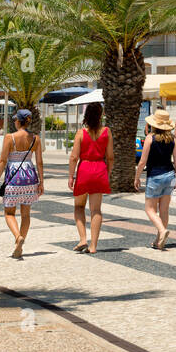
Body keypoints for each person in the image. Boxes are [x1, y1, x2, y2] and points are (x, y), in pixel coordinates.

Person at [0, 109, 43, 258]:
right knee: (26, 214)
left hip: (14, 178)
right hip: (29, 176)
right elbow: (39, 162)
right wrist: (41, 182)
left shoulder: (10, 137)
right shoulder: (36, 138)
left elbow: (3, 161)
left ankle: (17, 237)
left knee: (9, 213)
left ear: (18, 121)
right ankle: (19, 246)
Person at [68, 102, 112, 254]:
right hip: (100, 169)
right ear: (100, 115)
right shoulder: (107, 131)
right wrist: (108, 173)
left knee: (79, 206)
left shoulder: (81, 133)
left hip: (84, 170)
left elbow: (74, 157)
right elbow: (110, 157)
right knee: (96, 210)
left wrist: (71, 176)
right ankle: (93, 245)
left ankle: (82, 239)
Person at [134, 107, 176, 250]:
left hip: (155, 176)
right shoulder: (173, 139)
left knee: (149, 209)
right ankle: (159, 241)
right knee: (164, 210)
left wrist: (137, 177)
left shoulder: (150, 138)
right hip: (169, 174)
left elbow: (142, 161)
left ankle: (161, 231)